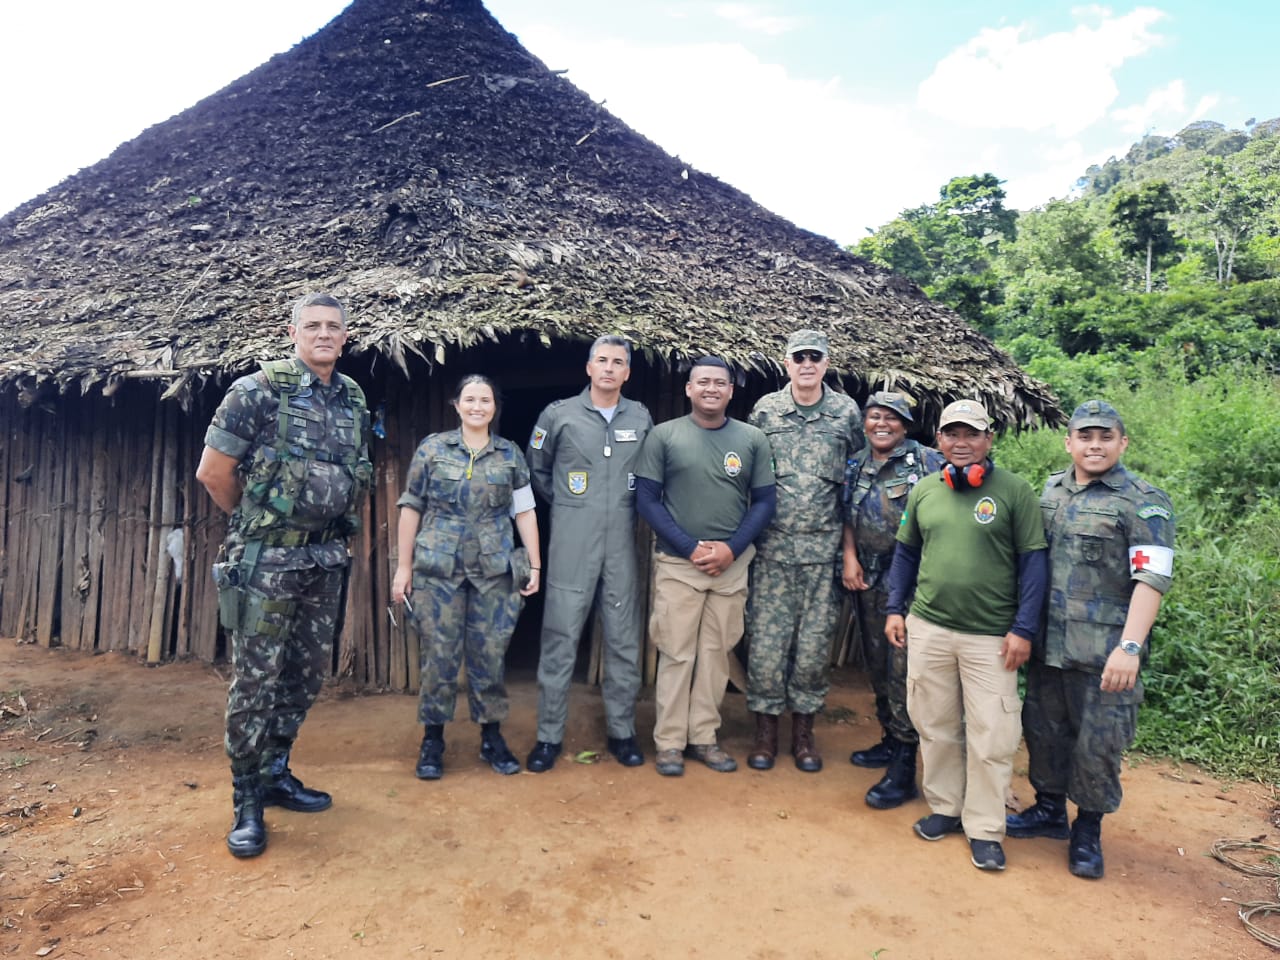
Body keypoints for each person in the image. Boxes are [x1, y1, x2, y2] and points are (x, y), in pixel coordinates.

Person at [196, 292, 372, 859]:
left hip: (323, 560)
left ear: (345, 337)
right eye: (313, 325)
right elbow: (214, 473)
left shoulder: (352, 398)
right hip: (266, 560)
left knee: (304, 673)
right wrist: (256, 527)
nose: (324, 334)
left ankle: (275, 772)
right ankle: (246, 799)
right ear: (292, 332)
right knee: (256, 680)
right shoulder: (256, 392)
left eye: (334, 326)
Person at [1006, 400, 1174, 879]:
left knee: (1097, 745)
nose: (1094, 445)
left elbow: (1152, 580)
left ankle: (1088, 829)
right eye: (1085, 436)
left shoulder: (1142, 501)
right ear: (1069, 443)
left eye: (1105, 437)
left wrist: (1130, 647)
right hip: (1049, 645)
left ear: (1123, 443)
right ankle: (1050, 810)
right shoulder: (1050, 491)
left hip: (1104, 653)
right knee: (1044, 731)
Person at [885, 399, 1047, 872]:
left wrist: (1023, 628)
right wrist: (897, 608)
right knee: (934, 726)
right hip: (929, 627)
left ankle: (985, 827)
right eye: (952, 433)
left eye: (971, 434)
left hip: (991, 638)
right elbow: (905, 554)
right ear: (939, 440)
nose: (961, 443)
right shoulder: (925, 491)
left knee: (992, 735)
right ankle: (945, 808)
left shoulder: (1015, 492)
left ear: (988, 440)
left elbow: (1034, 563)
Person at [390, 375, 541, 780]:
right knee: (439, 656)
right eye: (470, 399)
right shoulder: (433, 450)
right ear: (456, 405)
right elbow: (411, 507)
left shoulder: (509, 455)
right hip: (438, 569)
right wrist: (404, 568)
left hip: (494, 570)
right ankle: (433, 740)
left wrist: (535, 564)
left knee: (489, 654)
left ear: (495, 407)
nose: (477, 406)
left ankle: (492, 737)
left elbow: (524, 511)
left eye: (485, 400)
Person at [635, 356, 776, 776]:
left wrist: (731, 549)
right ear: (689, 389)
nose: (711, 388)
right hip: (680, 564)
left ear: (731, 391)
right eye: (703, 382)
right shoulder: (664, 436)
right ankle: (669, 742)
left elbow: (765, 501)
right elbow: (646, 498)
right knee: (677, 653)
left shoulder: (752, 439)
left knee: (715, 655)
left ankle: (704, 738)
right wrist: (689, 546)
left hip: (730, 567)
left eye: (720, 383)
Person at [524, 335, 654, 772]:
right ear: (588, 367)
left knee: (622, 638)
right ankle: (548, 736)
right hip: (571, 545)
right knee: (560, 637)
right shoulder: (558, 415)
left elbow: (651, 475)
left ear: (627, 373)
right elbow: (537, 469)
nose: (609, 368)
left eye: (618, 362)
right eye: (602, 360)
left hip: (621, 543)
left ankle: (622, 732)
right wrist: (568, 504)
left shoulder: (640, 416)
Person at [744, 330, 864, 773]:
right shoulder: (766, 411)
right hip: (772, 550)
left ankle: (803, 733)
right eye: (800, 357)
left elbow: (855, 483)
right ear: (787, 363)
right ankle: (765, 731)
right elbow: (750, 478)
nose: (808, 364)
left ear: (826, 363)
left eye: (816, 356)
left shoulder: (845, 413)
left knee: (813, 648)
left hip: (822, 551)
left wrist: (848, 550)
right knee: (766, 646)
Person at [844, 391, 944, 807]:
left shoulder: (927, 462)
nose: (881, 424)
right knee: (878, 665)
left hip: (910, 580)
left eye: (892, 418)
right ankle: (889, 738)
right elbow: (845, 516)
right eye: (874, 416)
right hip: (867, 576)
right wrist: (849, 558)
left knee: (904, 670)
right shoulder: (855, 463)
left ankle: (904, 765)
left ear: (906, 425)